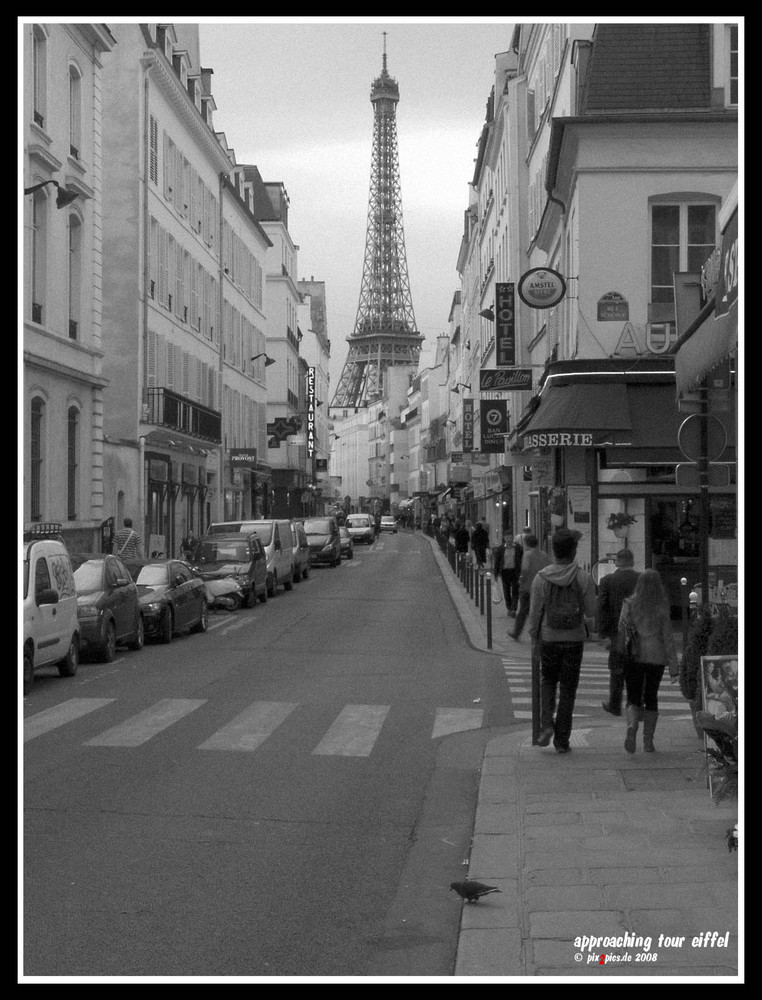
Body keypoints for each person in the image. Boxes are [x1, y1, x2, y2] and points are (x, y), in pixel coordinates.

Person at [528, 529, 597, 753]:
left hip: (549, 637)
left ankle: (546, 724)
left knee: (547, 682)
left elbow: (535, 613)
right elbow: (591, 611)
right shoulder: (582, 577)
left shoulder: (541, 578)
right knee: (568, 689)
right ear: (574, 551)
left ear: (553, 551)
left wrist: (533, 638)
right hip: (574, 639)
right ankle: (562, 740)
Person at [618, 569, 679, 754]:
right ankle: (648, 742)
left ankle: (631, 727)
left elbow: (621, 629)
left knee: (633, 697)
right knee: (651, 695)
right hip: (656, 656)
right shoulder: (662, 606)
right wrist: (674, 666)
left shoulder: (629, 603)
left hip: (634, 656)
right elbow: (668, 637)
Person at [596, 549, 640, 716]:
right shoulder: (641, 579)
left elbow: (601, 607)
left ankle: (615, 705)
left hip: (617, 633)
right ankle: (635, 705)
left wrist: (604, 632)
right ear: (632, 562)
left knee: (617, 671)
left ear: (618, 562)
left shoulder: (607, 580)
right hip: (638, 633)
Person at [510, 534, 551, 640]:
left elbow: (525, 569)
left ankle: (517, 632)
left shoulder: (527, 554)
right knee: (540, 611)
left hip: (528, 587)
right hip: (542, 587)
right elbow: (549, 568)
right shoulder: (544, 555)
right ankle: (539, 632)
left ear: (527, 544)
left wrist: (521, 580)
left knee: (523, 611)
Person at [493, 529, 522, 614]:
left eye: (510, 537)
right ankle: (509, 608)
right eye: (507, 537)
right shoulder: (501, 549)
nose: (509, 539)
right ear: (504, 538)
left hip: (515, 572)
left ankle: (514, 608)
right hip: (504, 572)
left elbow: (521, 559)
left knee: (515, 590)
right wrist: (496, 573)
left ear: (512, 537)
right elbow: (497, 561)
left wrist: (522, 572)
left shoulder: (518, 548)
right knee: (506, 590)